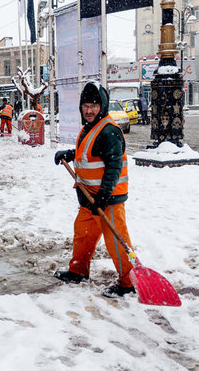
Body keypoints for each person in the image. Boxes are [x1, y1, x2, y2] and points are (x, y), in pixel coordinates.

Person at [53, 81, 136, 299]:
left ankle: (128, 283)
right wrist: (70, 154)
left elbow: (114, 166)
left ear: (103, 106)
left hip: (108, 197)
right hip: (90, 196)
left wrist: (104, 195)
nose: (89, 110)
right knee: (83, 234)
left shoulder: (109, 131)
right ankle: (78, 271)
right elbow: (90, 153)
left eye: (94, 106)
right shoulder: (91, 127)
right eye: (85, 106)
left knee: (116, 241)